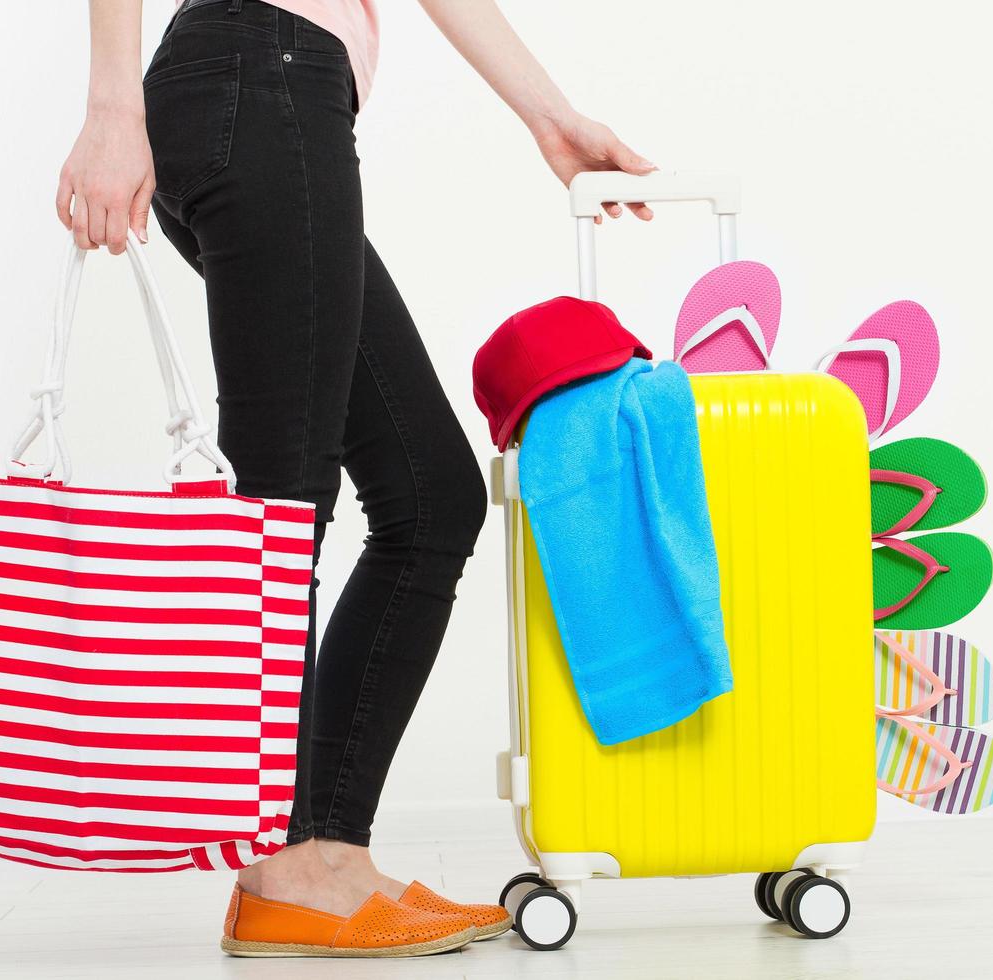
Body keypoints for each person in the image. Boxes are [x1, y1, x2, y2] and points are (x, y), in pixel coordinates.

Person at [56, 0, 654, 958]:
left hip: (269, 84)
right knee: (287, 498)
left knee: (432, 495)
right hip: (264, 72)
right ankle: (286, 865)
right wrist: (109, 109)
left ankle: (323, 850)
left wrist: (551, 118)